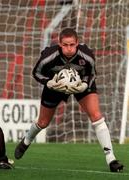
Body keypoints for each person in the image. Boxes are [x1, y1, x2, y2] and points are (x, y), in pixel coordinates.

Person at [14, 28, 124, 172]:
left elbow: (91, 74)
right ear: (59, 44)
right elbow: (36, 72)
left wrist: (84, 84)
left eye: (72, 44)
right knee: (42, 122)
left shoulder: (86, 54)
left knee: (97, 116)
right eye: (65, 45)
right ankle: (26, 141)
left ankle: (111, 159)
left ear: (77, 43)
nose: (69, 48)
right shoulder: (49, 56)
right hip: (55, 86)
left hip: (80, 86)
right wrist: (48, 82)